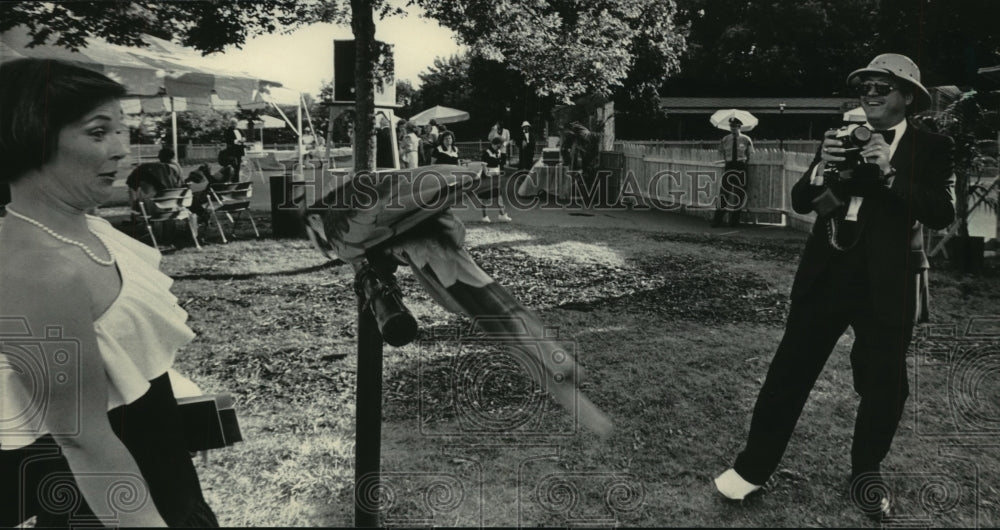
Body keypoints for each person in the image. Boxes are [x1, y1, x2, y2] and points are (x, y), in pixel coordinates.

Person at [714, 53, 954, 520]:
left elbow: (941, 211)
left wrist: (889, 171)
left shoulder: (931, 147)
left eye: (882, 88)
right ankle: (753, 469)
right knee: (789, 372)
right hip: (828, 272)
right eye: (864, 89)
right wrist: (822, 167)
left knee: (884, 383)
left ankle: (866, 474)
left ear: (908, 98)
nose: (870, 96)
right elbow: (803, 200)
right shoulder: (841, 136)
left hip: (889, 281)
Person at [0, 58, 218, 527]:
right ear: (30, 135)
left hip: (168, 485)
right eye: (98, 133)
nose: (121, 150)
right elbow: (81, 438)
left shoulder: (92, 230)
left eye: (122, 130)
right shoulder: (35, 268)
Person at [711, 117, 755, 228]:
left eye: (735, 126)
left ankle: (734, 222)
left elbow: (750, 154)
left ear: (740, 127)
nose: (733, 129)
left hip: (740, 167)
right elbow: (720, 152)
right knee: (724, 193)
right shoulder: (725, 139)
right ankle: (717, 220)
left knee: (739, 194)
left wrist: (744, 162)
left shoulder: (746, 139)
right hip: (729, 167)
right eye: (731, 126)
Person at [479, 136, 512, 223]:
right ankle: (484, 216)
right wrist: (487, 175)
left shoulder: (499, 152)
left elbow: (499, 164)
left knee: (499, 196)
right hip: (487, 177)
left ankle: (502, 215)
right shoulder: (486, 152)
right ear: (495, 144)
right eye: (500, 145)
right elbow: (483, 166)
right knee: (485, 197)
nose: (501, 146)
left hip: (495, 176)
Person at [223, 117, 246, 182]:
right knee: (233, 164)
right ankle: (231, 179)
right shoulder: (227, 130)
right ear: (230, 123)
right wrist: (236, 141)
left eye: (235, 123)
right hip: (232, 150)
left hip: (239, 149)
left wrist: (242, 140)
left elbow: (244, 137)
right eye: (232, 123)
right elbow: (227, 140)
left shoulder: (239, 130)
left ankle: (236, 179)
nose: (234, 124)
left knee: (238, 165)